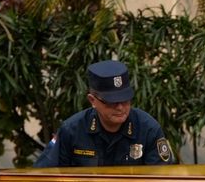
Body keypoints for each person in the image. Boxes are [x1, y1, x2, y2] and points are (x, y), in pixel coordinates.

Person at [33, 60, 174, 167]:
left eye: (125, 100)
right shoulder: (71, 130)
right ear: (92, 100)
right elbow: (44, 175)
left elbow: (162, 180)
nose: (120, 107)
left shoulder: (148, 129)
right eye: (112, 101)